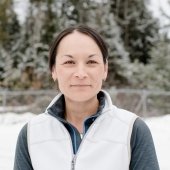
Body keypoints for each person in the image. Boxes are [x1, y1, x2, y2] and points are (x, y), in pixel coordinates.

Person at [14, 25, 160, 170]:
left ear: (105, 69)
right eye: (69, 62)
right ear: (53, 70)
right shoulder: (31, 134)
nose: (81, 73)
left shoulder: (132, 130)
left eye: (91, 62)